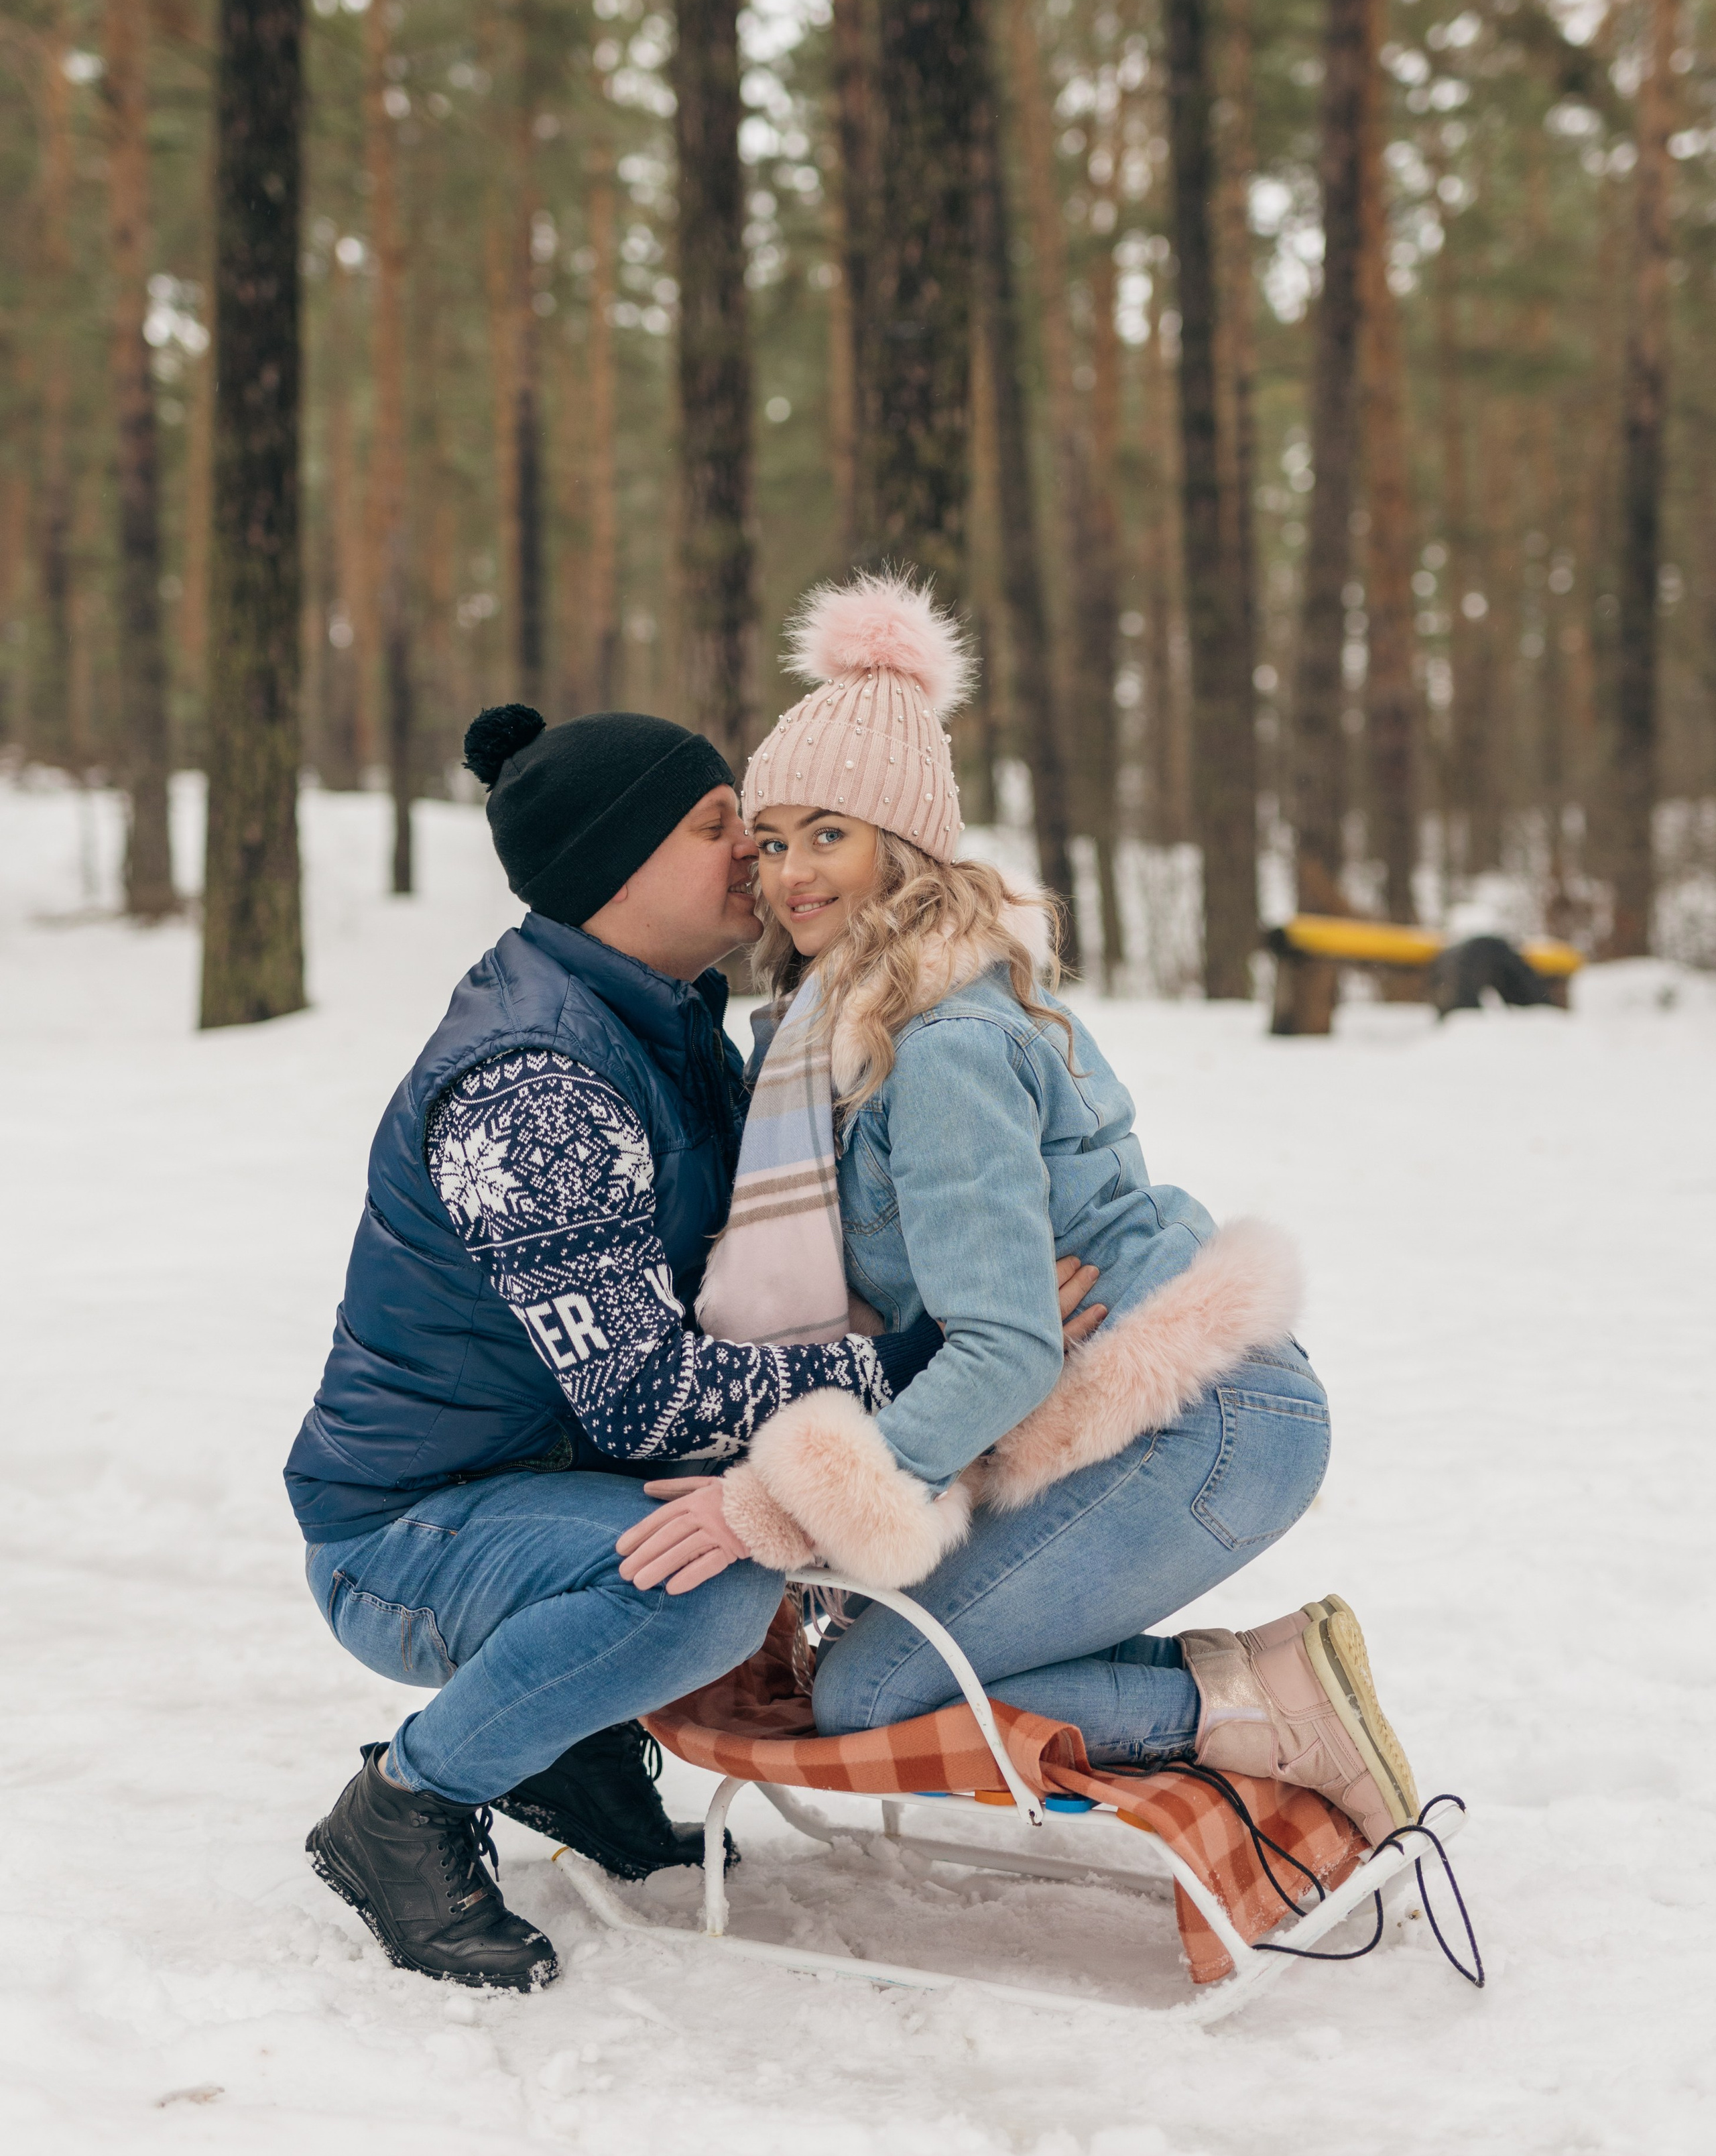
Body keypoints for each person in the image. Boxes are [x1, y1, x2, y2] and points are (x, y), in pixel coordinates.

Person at [616, 575, 1420, 1851]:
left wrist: (780, 1505)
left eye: (829, 832)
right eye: (770, 840)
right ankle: (1248, 1685)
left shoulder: (937, 1046)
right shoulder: (840, 1033)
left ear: (904, 844)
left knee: (871, 1691)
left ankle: (1261, 1699)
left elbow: (1007, 1344)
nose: (788, 873)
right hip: (1129, 1415)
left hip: (1195, 1419)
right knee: (891, 1668)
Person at [290, 706, 961, 1991]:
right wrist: (926, 1365)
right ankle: (405, 1811)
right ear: (615, 868)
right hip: (406, 1533)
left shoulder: (664, 1020)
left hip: (545, 1479)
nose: (755, 856)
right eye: (719, 828)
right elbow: (652, 1394)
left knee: (735, 1526)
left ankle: (564, 1741)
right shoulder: (533, 1081)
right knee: (711, 1578)